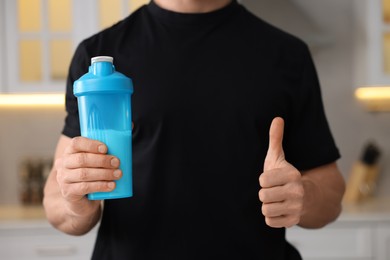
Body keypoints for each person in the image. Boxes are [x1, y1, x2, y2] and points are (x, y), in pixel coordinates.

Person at [43, 0, 346, 259]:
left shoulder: (288, 54)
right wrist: (76, 204)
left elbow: (330, 188)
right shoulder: (99, 55)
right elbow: (57, 198)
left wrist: (303, 197)